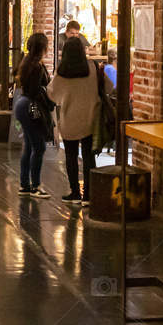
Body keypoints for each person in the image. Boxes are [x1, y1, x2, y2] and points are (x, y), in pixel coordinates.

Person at [47, 35, 110, 206]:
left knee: (71, 155)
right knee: (89, 156)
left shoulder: (61, 72)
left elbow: (51, 94)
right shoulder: (93, 67)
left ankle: (75, 192)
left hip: (69, 121)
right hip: (90, 119)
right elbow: (109, 86)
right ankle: (88, 195)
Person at [13, 32, 54, 198]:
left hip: (23, 104)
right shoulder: (36, 66)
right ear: (42, 48)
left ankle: (24, 185)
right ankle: (35, 185)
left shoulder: (26, 61)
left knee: (29, 146)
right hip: (32, 106)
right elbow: (37, 90)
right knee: (39, 146)